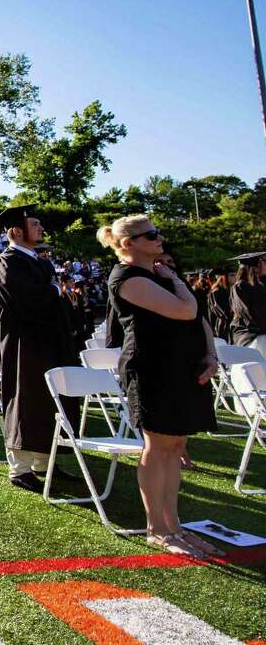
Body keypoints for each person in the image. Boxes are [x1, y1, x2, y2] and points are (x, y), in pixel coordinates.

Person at [98, 215, 220, 558]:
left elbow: (199, 319)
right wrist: (176, 280)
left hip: (183, 367)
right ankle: (158, 529)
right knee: (158, 445)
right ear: (129, 244)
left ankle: (175, 526)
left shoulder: (158, 273)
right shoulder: (126, 277)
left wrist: (210, 354)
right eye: (151, 235)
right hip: (152, 369)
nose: (159, 238)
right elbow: (185, 310)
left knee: (176, 445)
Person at [0, 205, 80, 493]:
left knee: (50, 399)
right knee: (26, 398)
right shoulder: (7, 263)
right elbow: (26, 300)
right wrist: (56, 291)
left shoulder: (37, 262)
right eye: (34, 224)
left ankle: (44, 461)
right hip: (23, 343)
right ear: (16, 230)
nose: (40, 228)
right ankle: (20, 469)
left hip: (47, 341)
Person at [229, 252, 266, 357]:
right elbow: (248, 313)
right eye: (263, 261)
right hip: (250, 335)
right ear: (256, 266)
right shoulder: (240, 286)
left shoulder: (260, 285)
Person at [207, 268, 234, 343]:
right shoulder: (217, 292)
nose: (235, 277)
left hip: (230, 325)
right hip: (223, 326)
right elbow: (222, 312)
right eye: (232, 275)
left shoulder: (231, 290)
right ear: (223, 277)